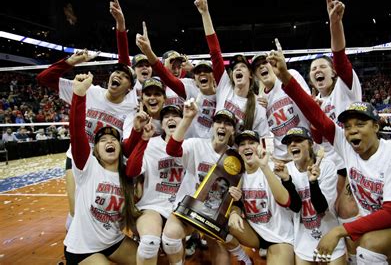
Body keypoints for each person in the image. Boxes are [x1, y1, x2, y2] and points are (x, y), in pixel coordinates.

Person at [268, 43, 391, 263]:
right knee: (370, 246)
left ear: (376, 127)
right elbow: (315, 115)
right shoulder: (347, 147)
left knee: (367, 243)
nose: (352, 130)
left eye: (360, 124)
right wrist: (284, 76)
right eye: (347, 126)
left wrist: (340, 231)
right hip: (386, 224)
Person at [36, 48, 138, 231]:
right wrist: (70, 62)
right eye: (117, 72)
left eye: (125, 76)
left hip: (105, 165)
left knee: (99, 214)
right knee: (76, 214)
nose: (118, 76)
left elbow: (127, 145)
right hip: (78, 158)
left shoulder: (130, 108)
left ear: (129, 87)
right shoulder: (90, 90)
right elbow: (44, 78)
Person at [163, 103, 251, 265]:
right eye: (219, 122)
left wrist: (236, 198)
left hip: (214, 215)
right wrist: (188, 118)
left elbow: (237, 194)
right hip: (188, 208)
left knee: (222, 260)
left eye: (228, 123)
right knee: (170, 238)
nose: (222, 126)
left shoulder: (235, 158)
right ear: (212, 126)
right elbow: (172, 150)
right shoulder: (196, 144)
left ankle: (238, 252)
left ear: (233, 130)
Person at [64, 72, 138, 264]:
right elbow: (77, 132)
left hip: (113, 241)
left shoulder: (126, 173)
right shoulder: (86, 167)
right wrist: (79, 95)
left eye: (113, 139)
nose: (109, 141)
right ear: (95, 149)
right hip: (83, 249)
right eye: (102, 140)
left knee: (149, 257)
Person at [309, 0, 362, 229]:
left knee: (347, 209)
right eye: (312, 69)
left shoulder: (345, 87)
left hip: (351, 159)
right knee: (331, 211)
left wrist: (334, 23)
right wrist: (315, 117)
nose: (317, 70)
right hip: (330, 162)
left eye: (322, 67)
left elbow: (340, 57)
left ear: (333, 74)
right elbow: (319, 141)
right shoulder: (318, 101)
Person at [195, 0, 269, 136]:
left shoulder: (258, 106)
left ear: (251, 74)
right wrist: (205, 14)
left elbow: (263, 138)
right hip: (214, 149)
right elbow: (215, 53)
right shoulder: (225, 86)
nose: (238, 69)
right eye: (235, 68)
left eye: (242, 67)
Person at [227, 130, 300, 265]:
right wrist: (234, 212)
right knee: (217, 219)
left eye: (252, 143)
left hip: (279, 236)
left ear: (260, 146)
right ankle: (244, 258)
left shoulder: (273, 167)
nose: (247, 146)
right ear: (238, 150)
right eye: (242, 144)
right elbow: (238, 203)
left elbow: (286, 201)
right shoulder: (238, 175)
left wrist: (264, 167)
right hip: (256, 233)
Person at [136, 21, 219, 139]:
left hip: (193, 138)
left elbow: (212, 76)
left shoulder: (189, 84)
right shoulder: (154, 85)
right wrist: (148, 52)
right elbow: (165, 76)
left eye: (179, 66)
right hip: (159, 135)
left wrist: (193, 70)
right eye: (172, 64)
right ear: (163, 65)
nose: (176, 69)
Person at [126, 103, 185, 265]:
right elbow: (131, 171)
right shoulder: (151, 144)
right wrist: (144, 140)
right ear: (162, 123)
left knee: (171, 244)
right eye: (166, 116)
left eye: (175, 115)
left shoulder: (191, 145)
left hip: (181, 208)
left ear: (184, 120)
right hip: (153, 205)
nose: (171, 118)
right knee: (148, 244)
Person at [280, 127, 345, 264]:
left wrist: (313, 182)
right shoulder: (287, 170)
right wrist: (287, 181)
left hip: (329, 235)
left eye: (298, 140)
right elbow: (296, 207)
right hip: (303, 240)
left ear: (311, 144)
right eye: (289, 142)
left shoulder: (327, 166)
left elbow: (321, 207)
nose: (292, 144)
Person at [251, 53, 311, 161]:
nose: (261, 66)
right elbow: (265, 133)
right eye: (256, 66)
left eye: (265, 62)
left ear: (272, 64)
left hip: (306, 149)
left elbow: (309, 104)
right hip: (282, 158)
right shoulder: (260, 101)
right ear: (255, 75)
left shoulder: (290, 75)